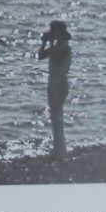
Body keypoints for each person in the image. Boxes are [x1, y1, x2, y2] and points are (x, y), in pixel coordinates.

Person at [37, 21, 72, 159]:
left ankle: (60, 149)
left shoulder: (64, 48)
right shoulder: (57, 46)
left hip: (60, 83)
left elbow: (57, 58)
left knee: (57, 114)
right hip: (53, 82)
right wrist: (44, 43)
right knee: (55, 114)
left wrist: (50, 43)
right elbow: (40, 56)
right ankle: (58, 147)